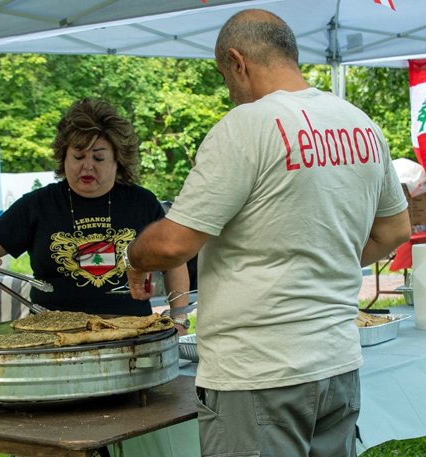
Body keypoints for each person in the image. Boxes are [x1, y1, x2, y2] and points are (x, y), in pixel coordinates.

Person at [123, 9, 411, 457]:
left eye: (225, 77)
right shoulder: (362, 124)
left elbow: (173, 244)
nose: (230, 91)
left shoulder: (245, 126)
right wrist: (322, 254)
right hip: (337, 362)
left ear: (237, 62)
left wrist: (134, 257)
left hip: (258, 370)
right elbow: (395, 231)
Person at [0, 98, 190, 334]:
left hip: (131, 336)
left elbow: (174, 262)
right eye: (78, 156)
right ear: (64, 157)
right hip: (51, 336)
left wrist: (179, 318)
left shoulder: (142, 203)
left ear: (118, 160)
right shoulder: (38, 204)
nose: (87, 166)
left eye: (99, 158)